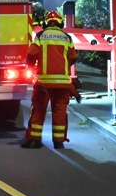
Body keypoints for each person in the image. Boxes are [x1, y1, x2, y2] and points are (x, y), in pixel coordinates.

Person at [22, 10, 78, 149]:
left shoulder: (40, 36)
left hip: (43, 83)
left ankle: (34, 139)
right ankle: (58, 142)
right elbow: (73, 57)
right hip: (63, 84)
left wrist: (30, 66)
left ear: (46, 23)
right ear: (61, 23)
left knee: (39, 109)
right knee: (59, 111)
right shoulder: (67, 38)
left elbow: (31, 53)